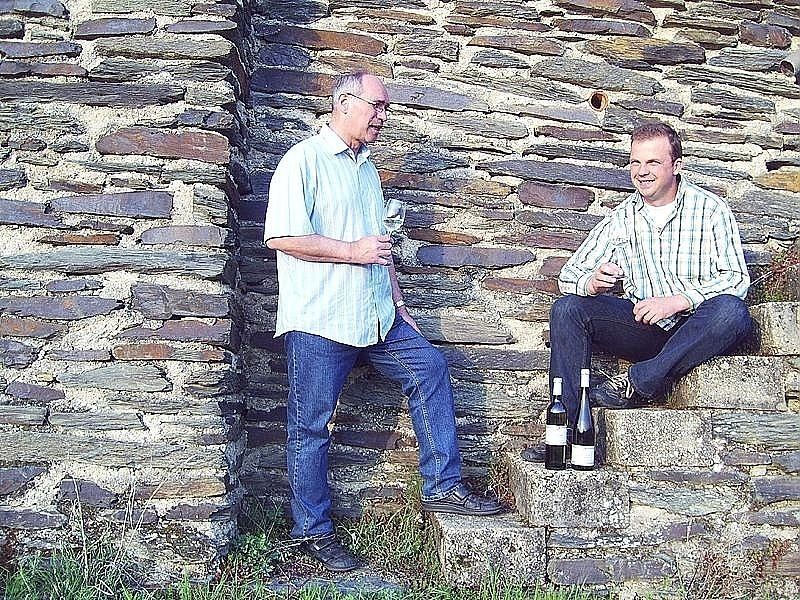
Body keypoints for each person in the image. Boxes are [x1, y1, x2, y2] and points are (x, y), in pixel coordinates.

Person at [264, 71, 501, 572]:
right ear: (345, 104)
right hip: (321, 320)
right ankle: (312, 533)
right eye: (376, 106)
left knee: (431, 369)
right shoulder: (302, 162)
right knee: (311, 426)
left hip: (376, 317)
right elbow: (282, 237)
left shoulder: (367, 170)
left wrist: (400, 304)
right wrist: (351, 251)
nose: (383, 116)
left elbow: (381, 246)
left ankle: (443, 488)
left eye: (385, 108)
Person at [527, 121, 752, 458]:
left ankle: (640, 381)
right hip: (644, 328)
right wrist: (591, 282)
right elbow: (569, 276)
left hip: (697, 325)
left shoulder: (710, 210)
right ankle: (567, 434)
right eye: (635, 162)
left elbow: (736, 279)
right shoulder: (622, 217)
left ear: (676, 166)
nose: (642, 172)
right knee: (568, 308)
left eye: (652, 163)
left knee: (732, 311)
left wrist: (678, 301)